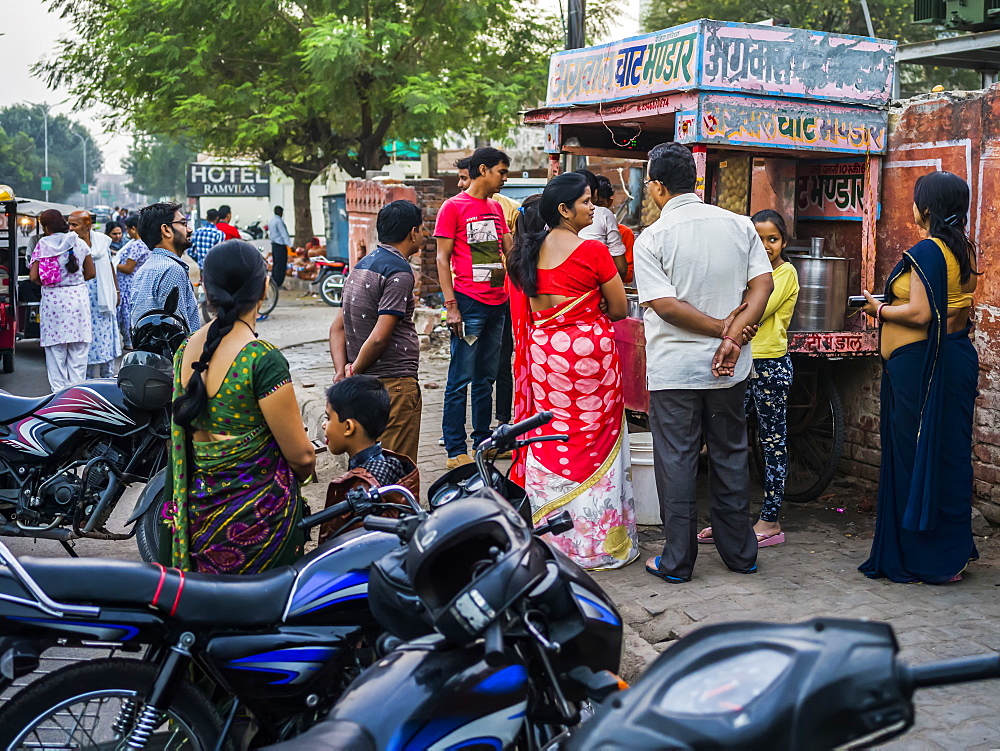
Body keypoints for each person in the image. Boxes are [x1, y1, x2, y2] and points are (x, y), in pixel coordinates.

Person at [634, 142, 773, 584]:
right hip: (731, 368)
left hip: (675, 368)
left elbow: (664, 305)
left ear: (656, 187)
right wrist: (733, 335)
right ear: (694, 181)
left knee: (676, 461)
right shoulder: (737, 224)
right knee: (731, 456)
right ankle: (740, 553)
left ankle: (677, 561)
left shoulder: (652, 237)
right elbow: (763, 284)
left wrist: (720, 331)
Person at [506, 178, 639, 570]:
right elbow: (618, 309)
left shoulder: (527, 252)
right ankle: (596, 543)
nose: (593, 208)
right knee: (596, 440)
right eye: (585, 202)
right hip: (589, 362)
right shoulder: (593, 251)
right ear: (563, 210)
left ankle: (554, 539)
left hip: (546, 356)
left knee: (554, 435)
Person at [859, 170, 980, 584]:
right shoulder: (961, 249)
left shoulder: (929, 250)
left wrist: (877, 309)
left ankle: (928, 558)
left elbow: (919, 314)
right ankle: (951, 551)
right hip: (952, 360)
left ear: (925, 208)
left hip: (925, 370)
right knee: (946, 456)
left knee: (916, 458)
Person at [165, 240, 315, 573]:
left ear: (205, 287)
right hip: (258, 531)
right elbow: (302, 457)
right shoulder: (260, 359)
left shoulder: (185, 351)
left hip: (199, 524)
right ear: (264, 288)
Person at [699, 210, 800, 548]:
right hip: (742, 364)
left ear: (783, 241)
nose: (766, 245)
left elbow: (752, 309)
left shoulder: (783, 274)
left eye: (773, 239)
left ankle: (769, 520)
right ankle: (729, 519)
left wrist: (741, 310)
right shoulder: (748, 274)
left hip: (769, 365)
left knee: (772, 443)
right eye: (759, 239)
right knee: (727, 441)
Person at [434, 146, 513, 469]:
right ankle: (455, 448)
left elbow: (509, 250)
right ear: (483, 170)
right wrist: (450, 306)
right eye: (501, 172)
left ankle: (483, 441)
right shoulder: (452, 207)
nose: (504, 179)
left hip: (499, 304)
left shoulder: (495, 208)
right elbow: (441, 259)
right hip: (468, 305)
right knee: (460, 378)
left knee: (486, 378)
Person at [330, 200, 424, 462]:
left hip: (363, 386)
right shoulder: (399, 272)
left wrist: (343, 372)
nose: (423, 235)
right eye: (422, 229)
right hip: (394, 384)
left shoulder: (361, 266)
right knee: (396, 468)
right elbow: (381, 335)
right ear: (412, 232)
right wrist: (355, 368)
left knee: (368, 464)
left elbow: (337, 327)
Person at [318, 375, 419, 542]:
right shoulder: (389, 461)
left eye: (328, 418)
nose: (323, 424)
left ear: (348, 427)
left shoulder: (366, 484)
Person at [29, 210, 96, 390]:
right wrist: (73, 282)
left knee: (56, 354)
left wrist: (50, 284)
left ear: (45, 226)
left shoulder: (43, 244)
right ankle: (77, 397)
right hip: (77, 302)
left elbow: (34, 276)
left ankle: (58, 398)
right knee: (78, 354)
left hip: (53, 303)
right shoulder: (79, 243)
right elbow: (91, 273)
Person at [131, 203, 202, 333]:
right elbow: (178, 331)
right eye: (184, 223)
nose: (190, 229)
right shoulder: (172, 269)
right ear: (166, 230)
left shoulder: (145, 269)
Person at [69, 210, 121, 378]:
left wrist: (116, 290)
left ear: (88, 225)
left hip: (103, 296)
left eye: (74, 225)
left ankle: (108, 379)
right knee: (85, 339)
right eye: (69, 224)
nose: (71, 228)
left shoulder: (101, 242)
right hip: (82, 297)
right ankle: (87, 381)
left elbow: (110, 265)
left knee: (106, 337)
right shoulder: (69, 244)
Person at [576, 169, 628, 280]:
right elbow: (621, 269)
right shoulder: (603, 213)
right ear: (594, 193)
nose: (592, 208)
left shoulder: (551, 224)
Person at [115, 214, 152, 349]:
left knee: (127, 315)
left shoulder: (137, 245)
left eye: (127, 229)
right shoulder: (147, 242)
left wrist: (113, 264)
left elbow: (128, 268)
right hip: (138, 284)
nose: (127, 232)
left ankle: (130, 342)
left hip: (128, 285)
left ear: (134, 228)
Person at [594, 175, 635, 283]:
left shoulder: (624, 233)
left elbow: (628, 273)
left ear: (609, 202)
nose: (594, 210)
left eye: (599, 204)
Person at [269, 206, 292, 289]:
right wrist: (290, 245)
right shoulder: (279, 221)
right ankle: (278, 283)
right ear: (281, 212)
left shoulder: (271, 221)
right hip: (280, 245)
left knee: (276, 263)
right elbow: (284, 234)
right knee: (281, 265)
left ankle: (274, 281)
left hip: (274, 245)